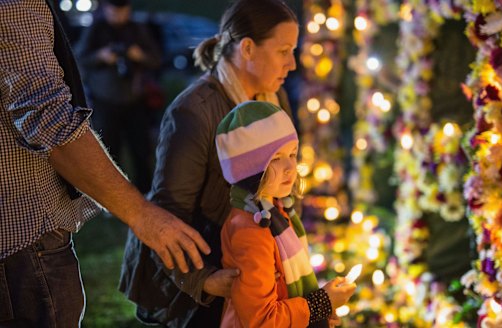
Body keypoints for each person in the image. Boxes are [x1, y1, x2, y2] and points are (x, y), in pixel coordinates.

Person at [0, 1, 209, 327]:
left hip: (16, 240)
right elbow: (49, 120)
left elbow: (155, 57)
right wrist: (142, 216)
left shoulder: (137, 28)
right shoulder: (15, 5)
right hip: (25, 240)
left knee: (139, 155)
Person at [119, 0, 300, 326]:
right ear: (247, 48)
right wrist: (203, 279)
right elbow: (169, 212)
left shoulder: (273, 99)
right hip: (205, 266)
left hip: (250, 260)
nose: (293, 64)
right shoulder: (195, 111)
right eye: (284, 50)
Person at [216, 101, 356, 328]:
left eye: (292, 154)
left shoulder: (276, 211)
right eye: (275, 158)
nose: (291, 167)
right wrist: (319, 304)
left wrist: (320, 311)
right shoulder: (252, 230)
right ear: (249, 169)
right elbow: (261, 319)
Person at [76, 0, 161, 193]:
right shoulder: (96, 29)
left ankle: (145, 194)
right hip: (105, 101)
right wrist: (101, 56)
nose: (119, 16)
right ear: (106, 9)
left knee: (141, 150)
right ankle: (110, 196)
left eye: (123, 11)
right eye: (114, 11)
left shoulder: (137, 29)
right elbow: (80, 58)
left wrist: (139, 56)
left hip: (134, 100)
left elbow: (156, 59)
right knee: (108, 152)